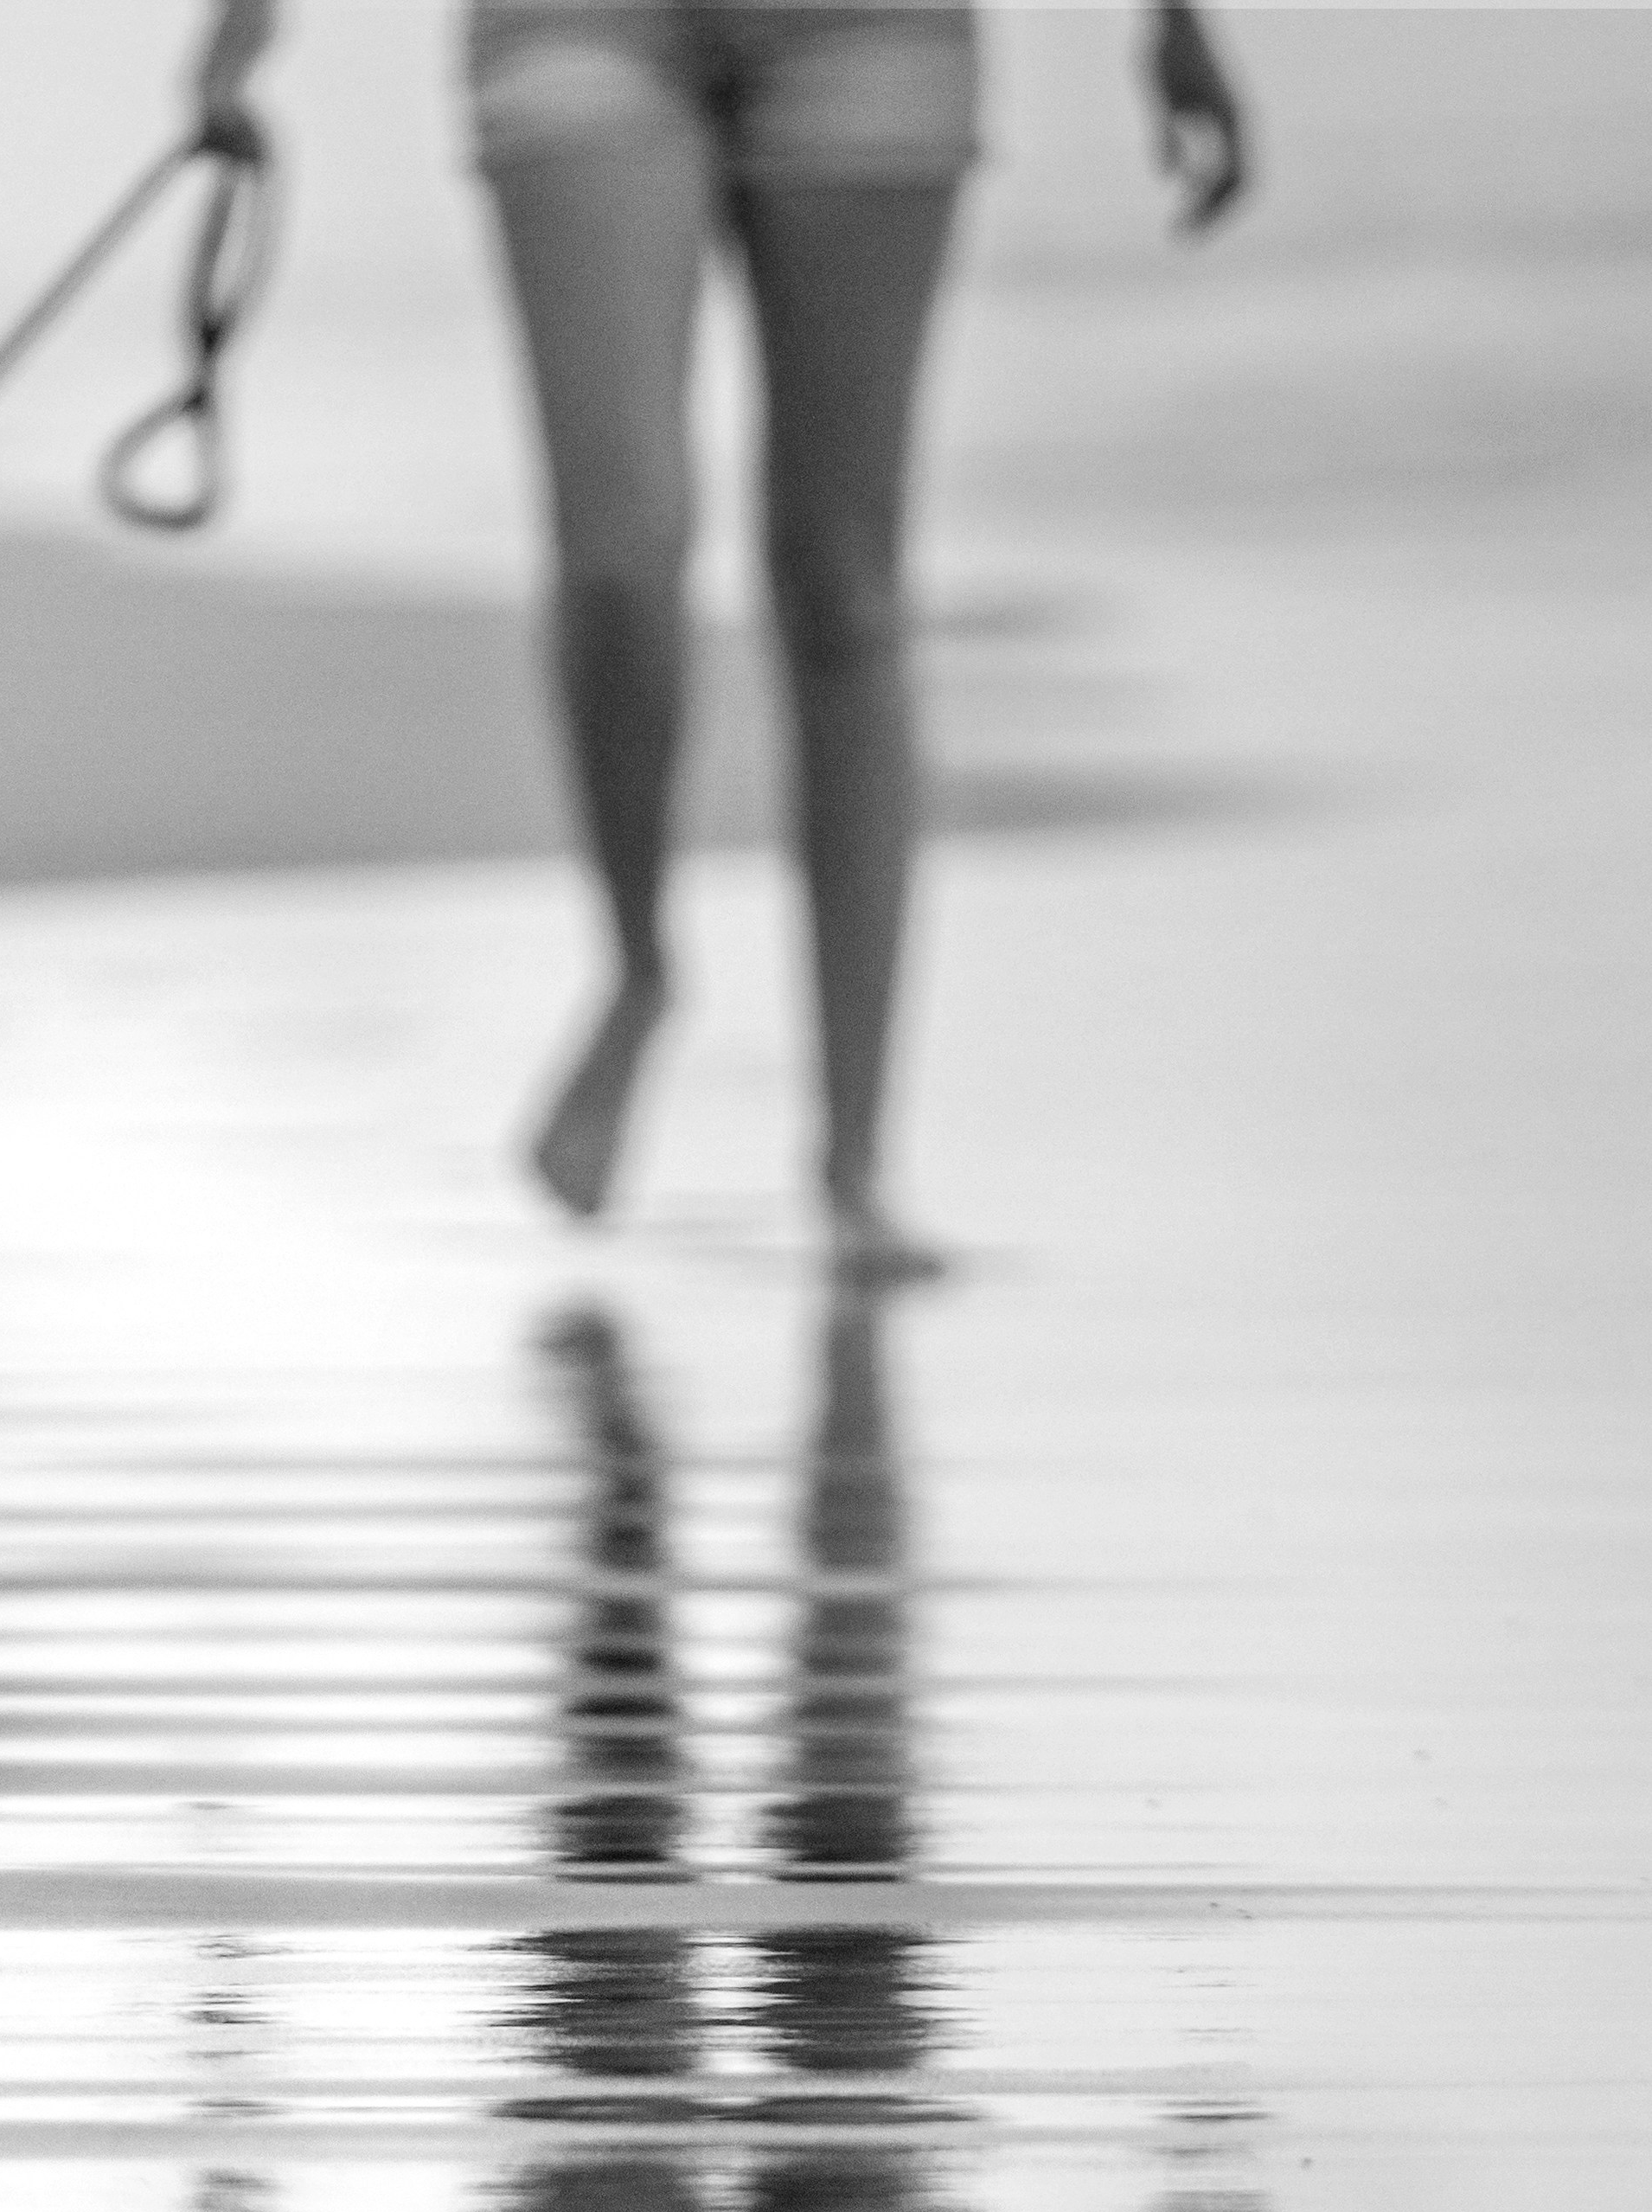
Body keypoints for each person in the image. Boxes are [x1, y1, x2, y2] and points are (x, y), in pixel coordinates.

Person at [187, 2, 1250, 1279]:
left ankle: (855, 1165)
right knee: (618, 556)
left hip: (874, 31)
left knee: (845, 588)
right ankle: (638, 970)